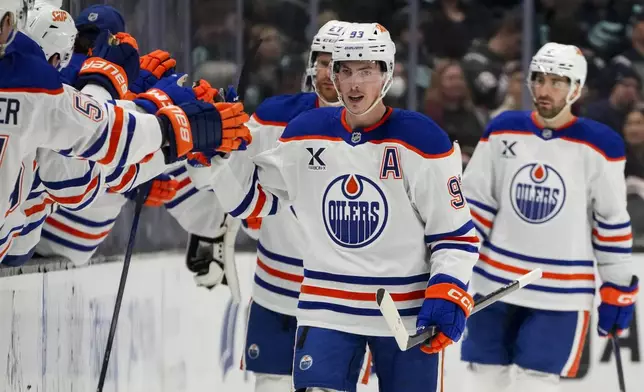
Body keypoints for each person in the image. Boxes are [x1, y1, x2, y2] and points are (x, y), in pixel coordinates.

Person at [204, 22, 479, 392]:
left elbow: (455, 236)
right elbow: (252, 203)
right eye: (344, 70)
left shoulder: (423, 140)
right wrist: (222, 155)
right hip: (326, 307)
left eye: (365, 71)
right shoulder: (304, 131)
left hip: (405, 311)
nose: (353, 84)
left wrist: (447, 287)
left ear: (386, 74)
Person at [185, 20, 379, 391]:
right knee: (270, 384)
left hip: (342, 301)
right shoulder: (274, 116)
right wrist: (207, 149)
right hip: (275, 290)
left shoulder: (385, 133)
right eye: (324, 62)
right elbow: (224, 182)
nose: (331, 73)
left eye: (341, 63)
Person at [0, 0, 251, 255]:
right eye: (80, 44)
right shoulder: (35, 83)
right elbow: (74, 180)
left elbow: (97, 141)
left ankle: (211, 232)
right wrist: (167, 119)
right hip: (33, 240)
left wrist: (162, 122)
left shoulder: (38, 81)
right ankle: (211, 235)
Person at [461, 42, 638, 392]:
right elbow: (475, 205)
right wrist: (451, 266)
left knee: (535, 384)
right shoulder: (503, 128)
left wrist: (617, 287)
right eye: (539, 79)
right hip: (493, 281)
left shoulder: (601, 144)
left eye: (557, 82)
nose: (545, 90)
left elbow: (611, 222)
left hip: (561, 292)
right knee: (482, 378)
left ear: (576, 88)